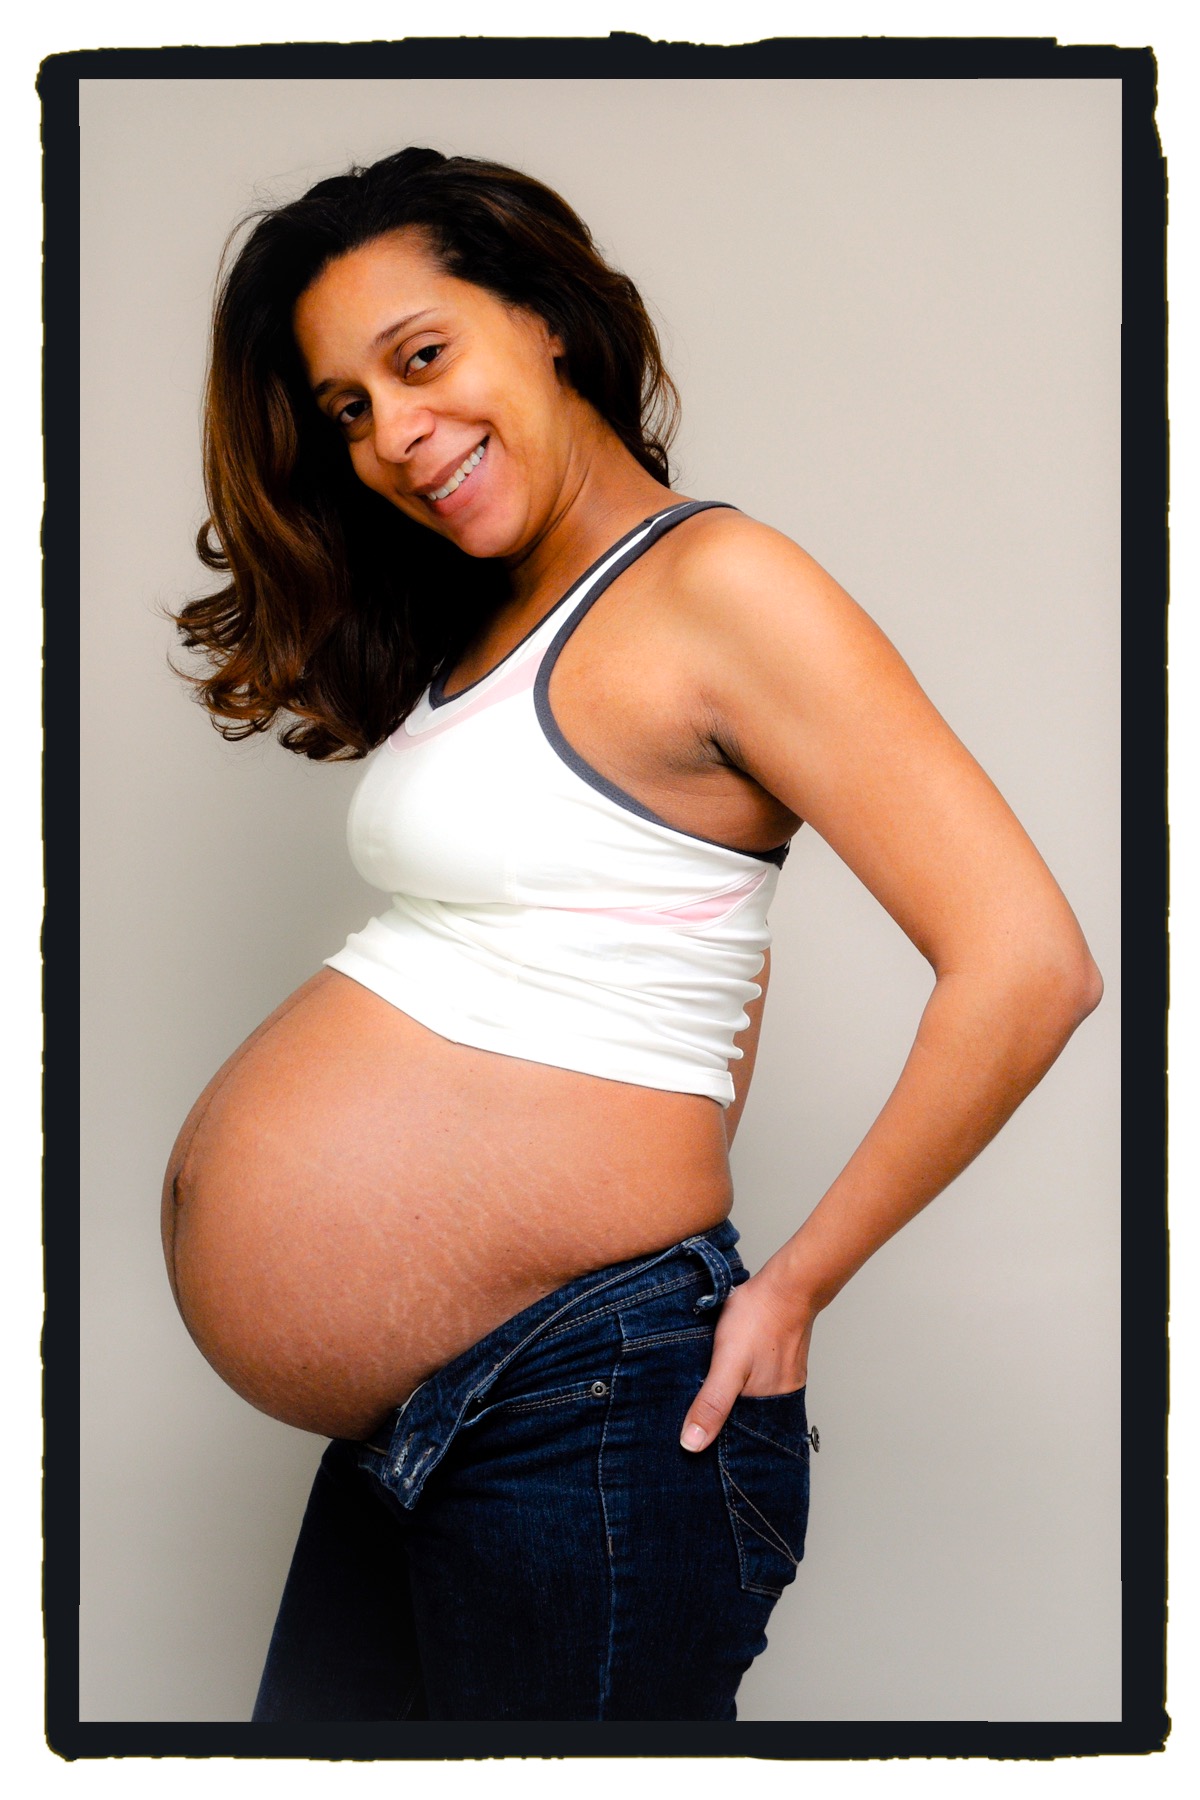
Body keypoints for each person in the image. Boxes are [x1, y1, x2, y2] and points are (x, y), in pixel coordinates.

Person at [161, 147, 1102, 1724]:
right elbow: (689, 952)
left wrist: (794, 1287)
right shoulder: (502, 614)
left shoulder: (722, 584)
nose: (393, 434)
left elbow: (1030, 963)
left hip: (581, 1410)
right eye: (348, 408)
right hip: (435, 1416)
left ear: (542, 317)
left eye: (421, 357)